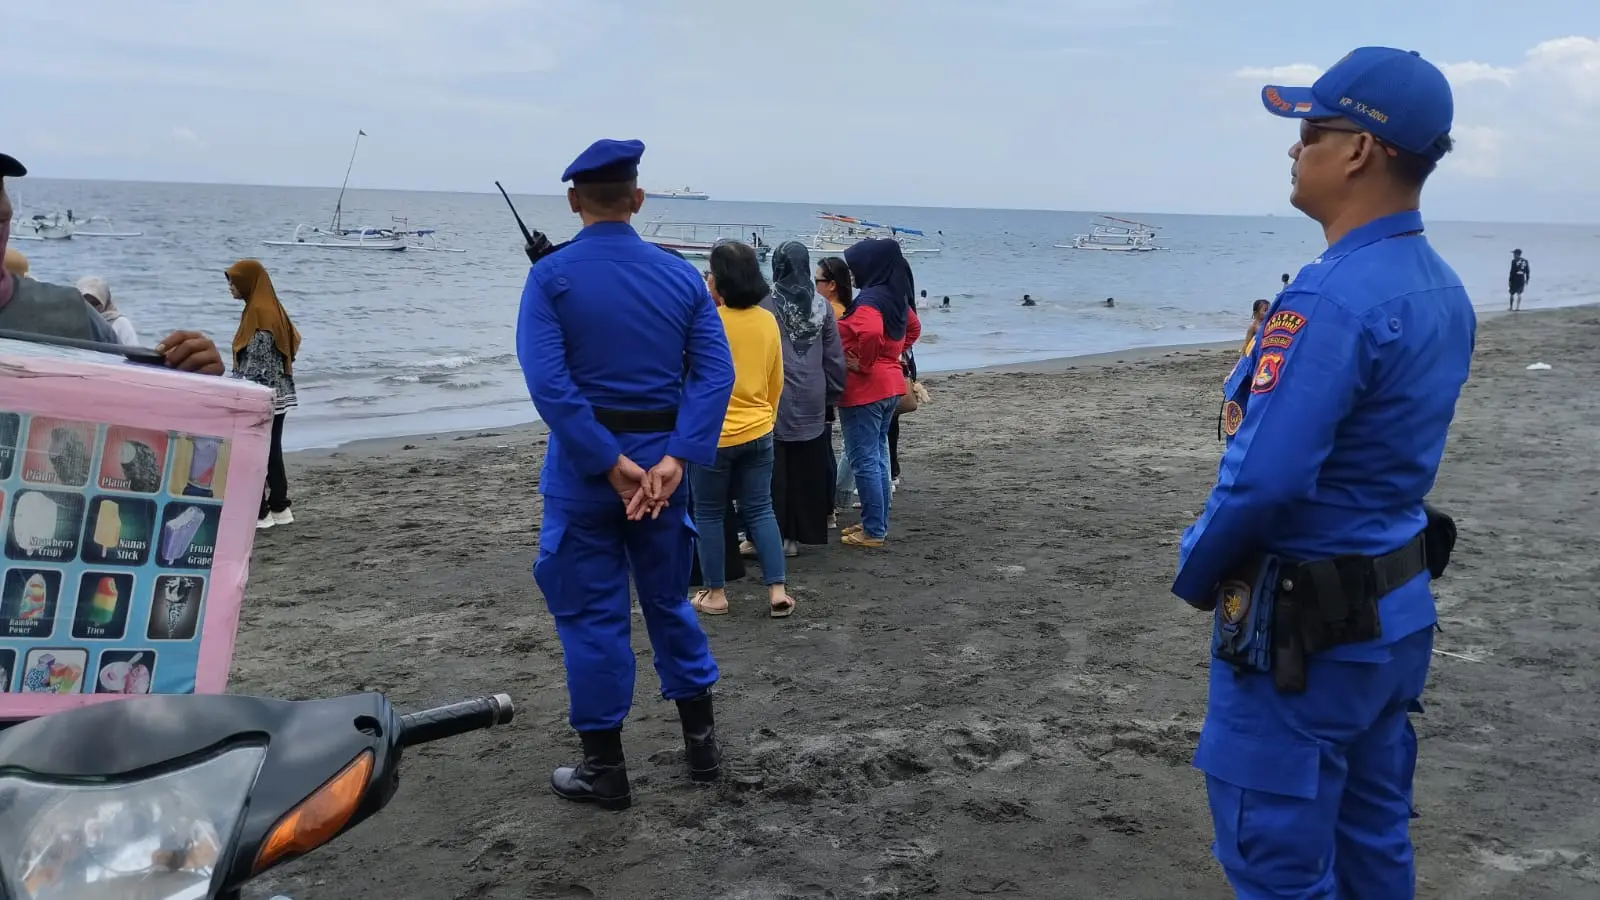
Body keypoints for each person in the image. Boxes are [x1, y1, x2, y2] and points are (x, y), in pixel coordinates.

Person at [1177, 48, 1472, 898]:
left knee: (1275, 866)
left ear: (1359, 151)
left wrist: (1198, 570)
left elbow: (1264, 479)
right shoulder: (1440, 286)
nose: (1295, 149)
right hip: (1392, 613)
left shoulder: (1331, 297)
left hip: (1303, 634)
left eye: (1310, 130)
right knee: (1373, 846)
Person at [518, 138, 736, 810]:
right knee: (669, 602)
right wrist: (673, 459)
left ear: (574, 200)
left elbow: (550, 386)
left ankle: (604, 768)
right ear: (637, 200)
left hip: (587, 477)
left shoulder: (549, 278)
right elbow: (714, 374)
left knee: (591, 618)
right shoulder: (680, 278)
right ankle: (701, 749)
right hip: (664, 473)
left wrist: (608, 464)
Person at [0, 152, 222, 371]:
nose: (4, 210)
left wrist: (194, 377)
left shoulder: (71, 313)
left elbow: (133, 392)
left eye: (0, 189)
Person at [689, 241, 796, 618]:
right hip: (758, 429)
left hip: (712, 436)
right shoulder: (767, 320)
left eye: (710, 273)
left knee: (709, 513)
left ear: (719, 280)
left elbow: (693, 379)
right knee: (760, 509)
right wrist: (766, 416)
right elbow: (776, 380)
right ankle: (777, 591)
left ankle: (716, 594)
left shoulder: (708, 322)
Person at [758, 240, 844, 557]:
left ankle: (776, 536)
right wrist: (832, 393)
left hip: (775, 392)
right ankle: (800, 535)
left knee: (775, 467)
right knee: (807, 465)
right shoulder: (821, 305)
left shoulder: (765, 302)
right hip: (813, 392)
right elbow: (834, 357)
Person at [837, 238, 916, 548]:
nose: (852, 273)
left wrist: (867, 361)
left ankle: (873, 530)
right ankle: (876, 521)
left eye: (854, 267)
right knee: (878, 456)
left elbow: (868, 332)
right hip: (890, 384)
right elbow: (914, 327)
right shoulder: (894, 296)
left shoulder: (870, 300)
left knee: (865, 459)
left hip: (866, 388)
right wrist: (893, 353)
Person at [225, 259, 301, 530]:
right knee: (271, 451)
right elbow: (292, 343)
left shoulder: (259, 312)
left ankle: (260, 513)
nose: (230, 288)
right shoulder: (270, 308)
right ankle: (280, 508)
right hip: (278, 394)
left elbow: (258, 362)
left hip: (261, 396)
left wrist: (242, 395)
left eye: (233, 281)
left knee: (252, 453)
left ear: (248, 282)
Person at [815, 256, 853, 518]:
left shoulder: (832, 313)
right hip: (834, 384)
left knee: (826, 447)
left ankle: (829, 505)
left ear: (831, 285)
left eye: (817, 280)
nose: (813, 285)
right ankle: (831, 504)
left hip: (826, 386)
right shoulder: (846, 310)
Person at [887, 293, 923, 490]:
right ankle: (891, 472)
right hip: (900, 362)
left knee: (887, 421)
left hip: (897, 364)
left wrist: (894, 350)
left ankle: (890, 473)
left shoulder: (888, 297)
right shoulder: (893, 294)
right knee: (889, 421)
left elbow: (915, 327)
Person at [77, 276, 139, 346]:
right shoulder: (71, 322)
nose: (89, 307)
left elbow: (133, 352)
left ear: (105, 302)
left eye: (94, 303)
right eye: (84, 302)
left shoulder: (120, 323)